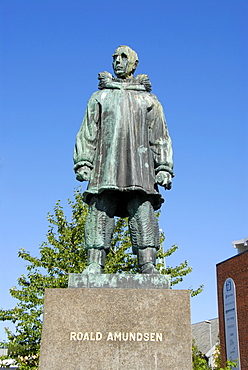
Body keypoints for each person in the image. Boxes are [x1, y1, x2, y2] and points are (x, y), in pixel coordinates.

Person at [74, 45, 174, 274]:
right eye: (114, 58)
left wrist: (163, 166)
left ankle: (147, 263)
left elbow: (159, 135)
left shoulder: (148, 100)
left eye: (123, 57)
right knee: (101, 208)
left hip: (140, 167)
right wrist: (84, 161)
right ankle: (94, 263)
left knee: (142, 208)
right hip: (105, 165)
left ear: (134, 64)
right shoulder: (100, 97)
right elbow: (88, 131)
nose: (117, 61)